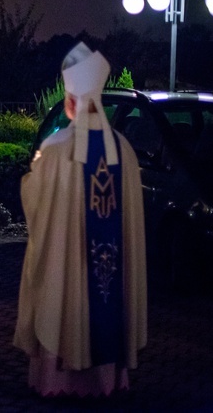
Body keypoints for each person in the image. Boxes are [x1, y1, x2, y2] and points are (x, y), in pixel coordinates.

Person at [13, 42, 147, 398]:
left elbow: (35, 202)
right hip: (111, 259)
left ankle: (58, 382)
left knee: (62, 292)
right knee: (105, 297)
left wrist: (30, 179)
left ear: (70, 99)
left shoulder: (55, 148)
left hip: (65, 257)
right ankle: (105, 380)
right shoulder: (124, 150)